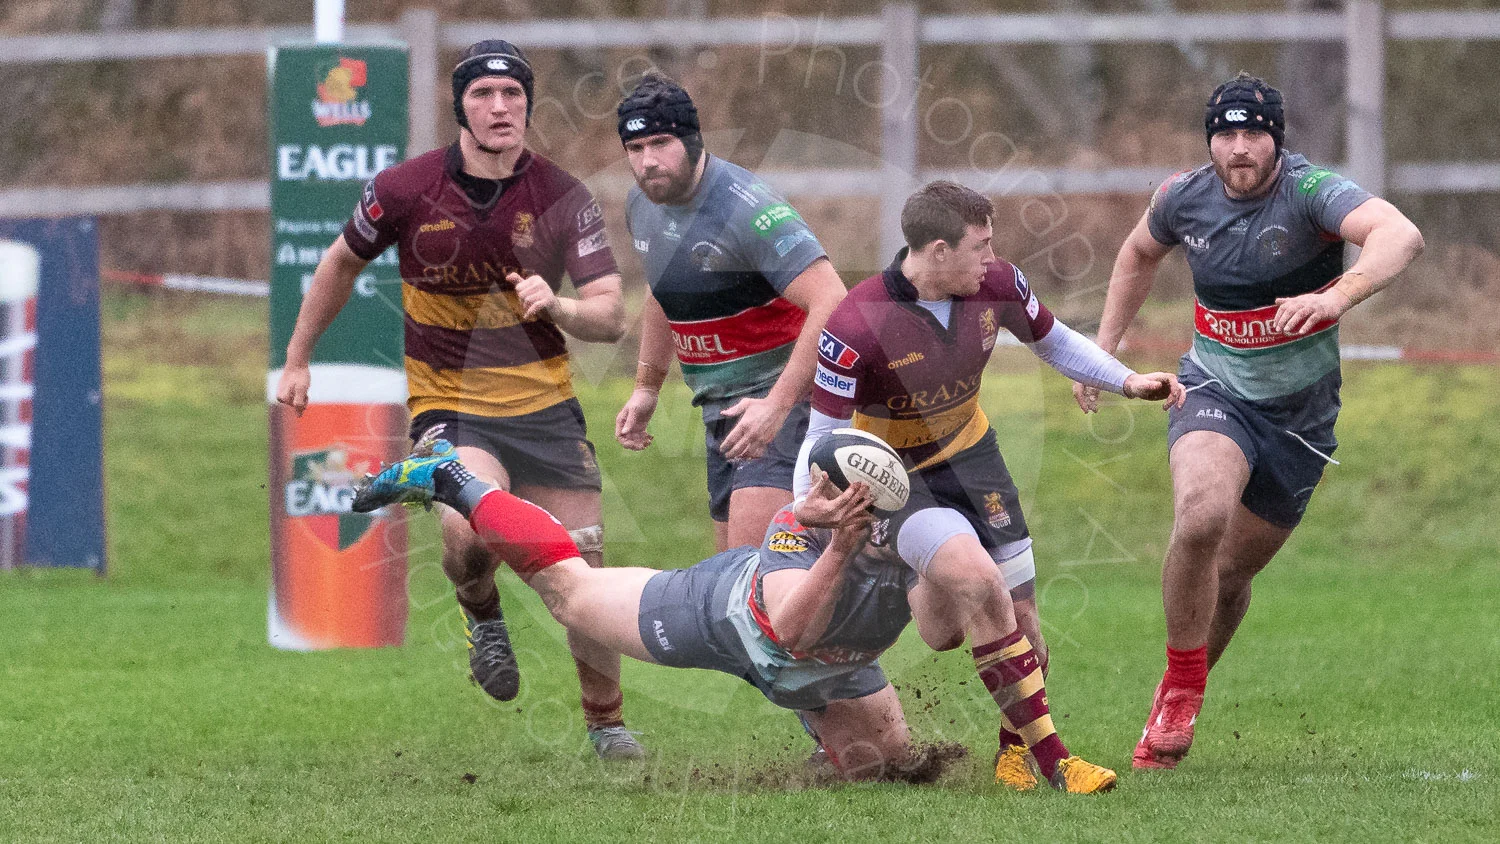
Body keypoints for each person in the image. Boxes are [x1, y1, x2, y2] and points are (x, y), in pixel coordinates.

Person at [350, 438, 1121, 792]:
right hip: (725, 621)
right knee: (575, 596)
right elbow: (790, 631)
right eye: (858, 503)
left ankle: (826, 736)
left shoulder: (901, 534)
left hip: (829, 670)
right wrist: (839, 547)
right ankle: (451, 477)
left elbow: (938, 631)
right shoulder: (809, 535)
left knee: (885, 766)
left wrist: (962, 569)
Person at [274, 39, 645, 759]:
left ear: (529, 105)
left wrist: (557, 307)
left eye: (513, 95)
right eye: (483, 95)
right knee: (465, 535)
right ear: (461, 108)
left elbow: (610, 313)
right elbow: (340, 262)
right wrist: (297, 359)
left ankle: (606, 722)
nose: (500, 108)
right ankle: (483, 610)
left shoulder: (563, 197)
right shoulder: (407, 189)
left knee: (587, 568)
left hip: (545, 410)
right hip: (452, 405)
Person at [1072, 72, 1424, 770]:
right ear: (1210, 141)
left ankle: (1186, 686)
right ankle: (1179, 684)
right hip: (1214, 390)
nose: (1239, 147)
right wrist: (1101, 350)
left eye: (1253, 133)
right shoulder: (1183, 197)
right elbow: (1139, 252)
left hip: (1301, 420)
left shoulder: (1310, 191)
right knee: (1201, 516)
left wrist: (1339, 295)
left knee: (1230, 576)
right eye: (1225, 133)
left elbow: (1400, 234)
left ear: (1276, 139)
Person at [803, 180, 1185, 787]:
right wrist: (811, 504)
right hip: (898, 480)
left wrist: (1127, 382)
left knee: (1016, 619)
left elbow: (1054, 341)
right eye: (979, 247)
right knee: (977, 592)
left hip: (973, 457)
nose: (991, 259)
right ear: (936, 251)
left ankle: (1016, 750)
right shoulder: (855, 324)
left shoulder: (998, 284)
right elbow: (822, 436)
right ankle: (1058, 763)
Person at [612, 74, 848, 551]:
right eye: (635, 148)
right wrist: (645, 388)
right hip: (720, 412)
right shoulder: (643, 204)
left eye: (661, 143)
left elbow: (832, 298)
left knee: (758, 582)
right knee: (734, 586)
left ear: (693, 139)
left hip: (787, 405)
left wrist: (777, 406)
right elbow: (665, 289)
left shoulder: (747, 210)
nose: (648, 161)